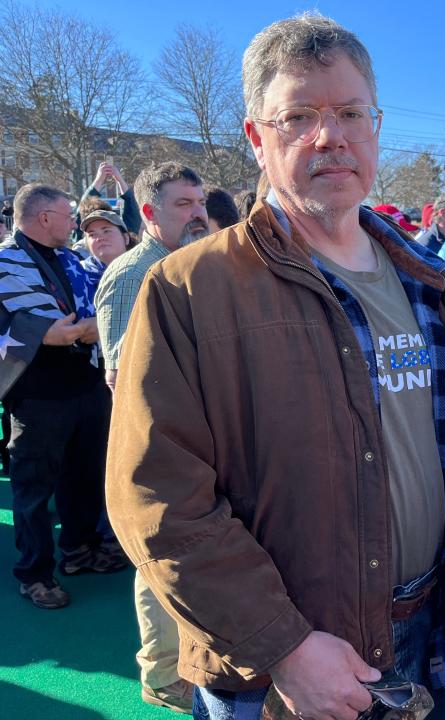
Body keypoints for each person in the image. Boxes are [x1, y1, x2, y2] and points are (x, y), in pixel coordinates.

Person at [105, 13, 445, 720]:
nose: (330, 135)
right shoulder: (190, 289)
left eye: (350, 112)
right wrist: (284, 645)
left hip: (425, 637)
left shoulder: (435, 287)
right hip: (280, 670)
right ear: (257, 137)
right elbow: (156, 500)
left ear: (376, 125)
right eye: (299, 116)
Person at [94, 162, 208, 714]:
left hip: (199, 442)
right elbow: (120, 375)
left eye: (200, 202)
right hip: (156, 448)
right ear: (147, 212)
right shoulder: (131, 273)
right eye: (184, 204)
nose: (199, 214)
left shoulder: (189, 265)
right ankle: (163, 677)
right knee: (159, 560)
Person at [0, 184, 125, 610]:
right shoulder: (4, 260)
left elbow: (92, 314)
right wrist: (48, 334)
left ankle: (79, 552)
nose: (74, 222)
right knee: (34, 488)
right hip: (36, 396)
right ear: (44, 218)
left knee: (85, 476)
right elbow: (40, 331)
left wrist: (87, 328)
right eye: (67, 215)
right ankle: (34, 573)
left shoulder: (72, 259)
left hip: (85, 385)